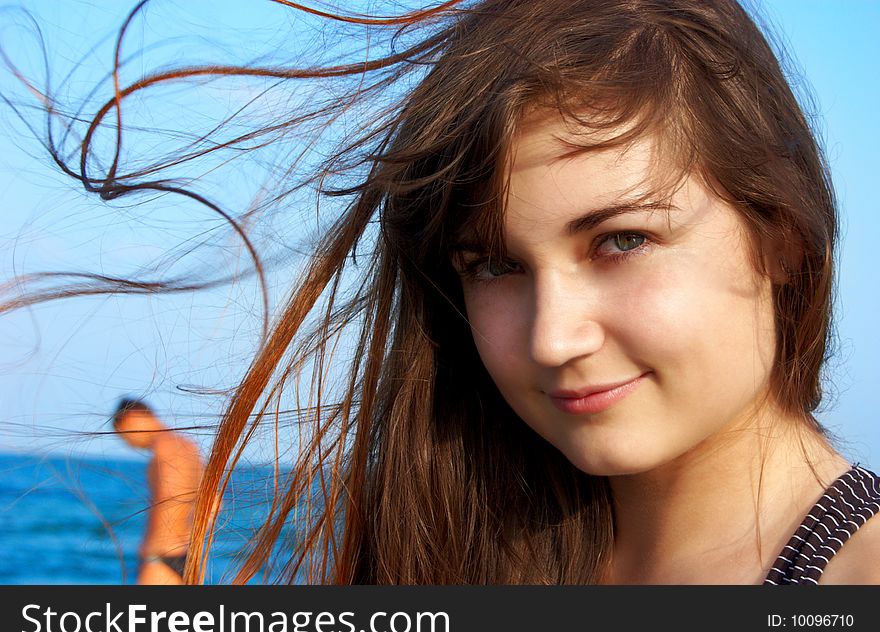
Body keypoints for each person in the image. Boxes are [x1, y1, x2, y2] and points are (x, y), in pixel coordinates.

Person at [8, 0, 880, 584]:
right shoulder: (484, 545)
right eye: (493, 265)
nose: (551, 339)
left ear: (782, 240)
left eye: (622, 240)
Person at [112, 398, 204, 585]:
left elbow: (167, 497)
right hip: (189, 554)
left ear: (132, 418)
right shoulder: (189, 446)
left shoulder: (163, 447)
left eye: (123, 435)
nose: (129, 444)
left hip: (161, 554)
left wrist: (149, 550)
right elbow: (214, 504)